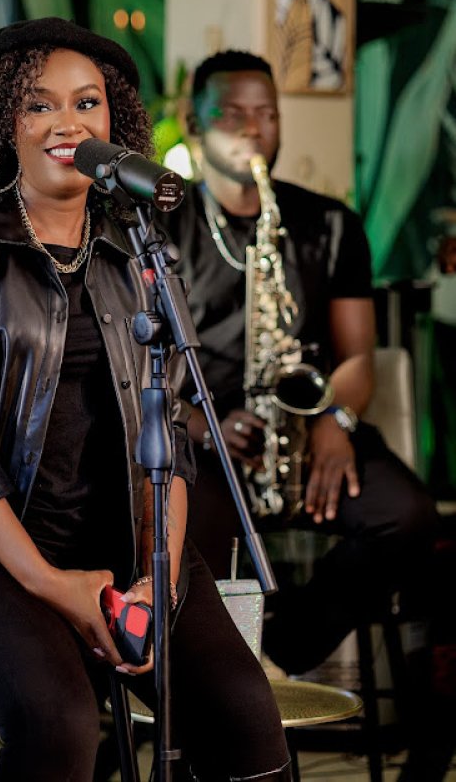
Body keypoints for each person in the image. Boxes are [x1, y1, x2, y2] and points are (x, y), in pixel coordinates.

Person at [0, 19, 292, 782]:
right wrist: (52, 585)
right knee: (60, 725)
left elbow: (174, 437)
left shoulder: (141, 250)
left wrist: (157, 579)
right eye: (40, 105)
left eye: (87, 103)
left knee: (245, 717)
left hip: (121, 541)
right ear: (5, 125)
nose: (68, 123)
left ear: (113, 125)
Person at [160, 49, 440, 679]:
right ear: (194, 122)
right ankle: (217, 689)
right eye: (232, 114)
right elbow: (134, 365)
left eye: (267, 113)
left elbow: (357, 356)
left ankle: (280, 658)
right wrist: (203, 427)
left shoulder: (331, 224)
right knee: (181, 544)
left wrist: (334, 420)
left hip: (307, 430)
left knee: (408, 517)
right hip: (204, 443)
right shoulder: (160, 227)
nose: (253, 129)